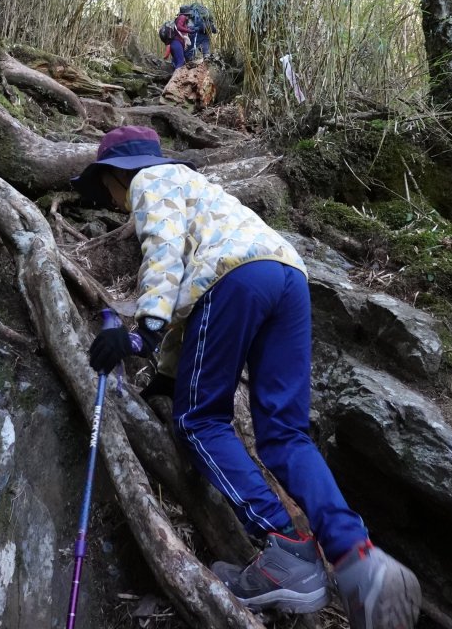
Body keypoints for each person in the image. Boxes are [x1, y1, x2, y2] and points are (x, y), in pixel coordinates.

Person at [72, 126, 421, 629]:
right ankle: (359, 558)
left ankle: (285, 552)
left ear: (115, 176)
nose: (108, 200)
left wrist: (139, 335)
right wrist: (168, 375)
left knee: (198, 422)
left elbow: (167, 256)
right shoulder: (208, 198)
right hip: (288, 276)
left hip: (235, 280)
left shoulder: (150, 180)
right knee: (285, 434)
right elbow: (192, 304)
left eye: (104, 188)